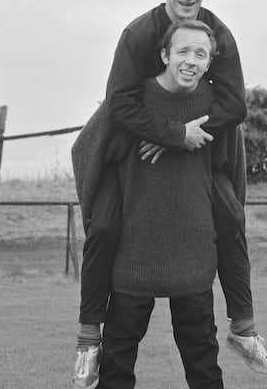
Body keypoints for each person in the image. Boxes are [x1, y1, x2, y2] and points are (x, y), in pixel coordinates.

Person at [71, 0, 267, 389]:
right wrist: (168, 133)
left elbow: (235, 104)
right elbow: (121, 102)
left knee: (230, 217)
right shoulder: (138, 34)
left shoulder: (218, 35)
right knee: (104, 226)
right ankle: (89, 336)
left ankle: (244, 326)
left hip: (192, 129)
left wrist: (182, 137)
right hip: (127, 127)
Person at [98, 19, 229, 388]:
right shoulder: (131, 101)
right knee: (117, 360)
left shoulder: (214, 104)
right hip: (135, 249)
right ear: (164, 55)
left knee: (203, 360)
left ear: (209, 61)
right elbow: (96, 153)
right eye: (183, 50)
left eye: (200, 53)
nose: (191, 59)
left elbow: (224, 167)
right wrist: (171, 134)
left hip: (193, 248)